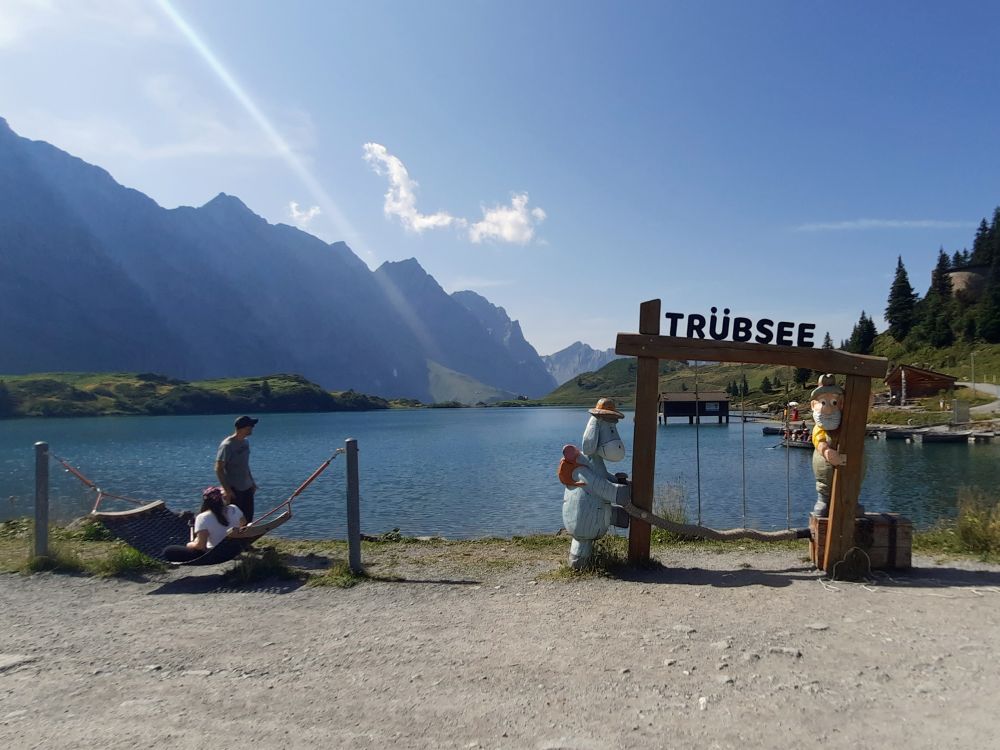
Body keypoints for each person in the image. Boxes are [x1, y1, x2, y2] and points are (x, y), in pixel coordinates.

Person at [163, 486, 246, 562]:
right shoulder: (234, 508)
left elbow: (201, 547)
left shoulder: (203, 517)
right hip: (235, 550)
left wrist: (191, 544)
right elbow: (243, 524)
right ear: (221, 499)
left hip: (215, 555)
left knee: (169, 550)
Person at [215, 415, 258, 521]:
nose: (252, 428)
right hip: (235, 489)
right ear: (243, 428)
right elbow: (219, 468)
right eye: (251, 426)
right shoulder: (227, 445)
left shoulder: (245, 442)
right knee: (236, 519)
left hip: (247, 486)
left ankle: (247, 537)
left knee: (248, 518)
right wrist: (227, 490)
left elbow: (245, 464)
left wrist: (252, 482)